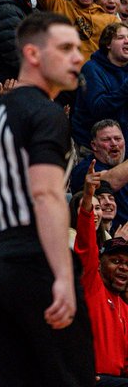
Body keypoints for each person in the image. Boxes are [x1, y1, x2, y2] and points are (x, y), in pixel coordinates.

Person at [0, 12, 95, 386]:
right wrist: (60, 273)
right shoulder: (46, 113)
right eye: (66, 48)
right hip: (31, 261)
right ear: (33, 54)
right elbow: (44, 192)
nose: (77, 57)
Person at [74, 162, 128, 384]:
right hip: (93, 380)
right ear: (99, 265)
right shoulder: (92, 285)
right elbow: (86, 244)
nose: (124, 267)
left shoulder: (125, 307)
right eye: (115, 261)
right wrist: (88, 196)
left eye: (127, 263)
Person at [74, 23, 128, 149]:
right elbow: (98, 107)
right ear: (108, 44)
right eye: (121, 38)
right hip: (94, 150)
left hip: (121, 147)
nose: (127, 41)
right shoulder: (91, 69)